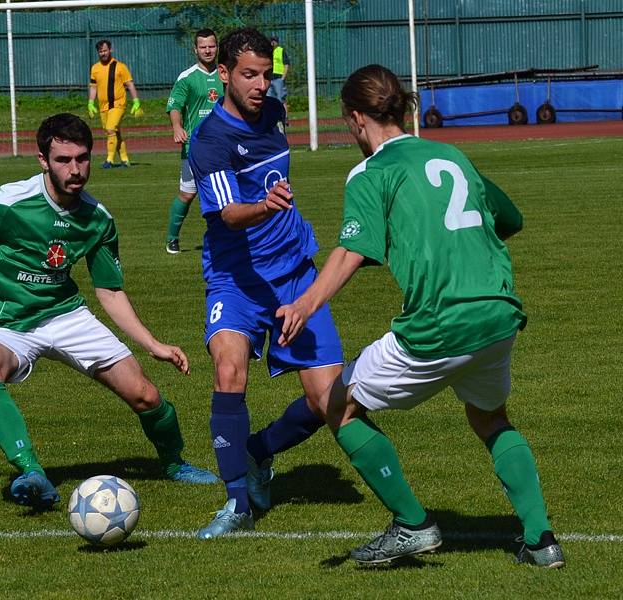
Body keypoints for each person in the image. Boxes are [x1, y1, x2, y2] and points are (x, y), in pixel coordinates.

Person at [276, 64, 565, 568]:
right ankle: (542, 542)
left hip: (439, 323)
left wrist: (305, 303)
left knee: (334, 402)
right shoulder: (451, 154)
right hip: (498, 313)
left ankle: (412, 525)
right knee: (490, 417)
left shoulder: (372, 172)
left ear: (356, 118)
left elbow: (349, 250)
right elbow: (509, 218)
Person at [0, 113, 218, 509]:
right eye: (64, 160)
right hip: (4, 319)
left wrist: (152, 343)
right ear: (43, 160)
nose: (76, 170)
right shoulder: (9, 205)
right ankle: (31, 471)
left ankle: (174, 464)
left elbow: (110, 292)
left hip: (64, 313)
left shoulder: (97, 221)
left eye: (82, 158)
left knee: (146, 396)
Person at [188, 28, 344, 539]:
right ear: (225, 75)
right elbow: (229, 214)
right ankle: (237, 507)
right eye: (249, 75)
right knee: (229, 369)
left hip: (295, 273)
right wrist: (265, 206)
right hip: (235, 281)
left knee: (330, 401)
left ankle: (258, 451)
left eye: (266, 74)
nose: (261, 85)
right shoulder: (209, 140)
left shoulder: (275, 113)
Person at [163, 28, 224, 255]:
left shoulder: (225, 74)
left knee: (226, 193)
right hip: (195, 147)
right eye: (203, 46)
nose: (208, 50)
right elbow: (175, 106)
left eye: (211, 46)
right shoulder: (186, 78)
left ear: (217, 47)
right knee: (188, 194)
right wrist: (177, 127)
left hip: (223, 146)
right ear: (195, 49)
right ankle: (172, 238)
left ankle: (226, 239)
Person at [88, 40, 143, 169]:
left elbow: (129, 84)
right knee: (114, 133)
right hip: (103, 106)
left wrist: (136, 101)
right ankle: (125, 160)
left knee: (110, 129)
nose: (103, 53)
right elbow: (93, 87)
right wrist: (90, 102)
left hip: (118, 104)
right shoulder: (95, 68)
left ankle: (109, 160)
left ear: (111, 50)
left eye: (105, 50)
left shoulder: (120, 66)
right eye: (100, 51)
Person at [267, 35, 290, 122]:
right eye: (271, 41)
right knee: (269, 99)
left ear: (277, 42)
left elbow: (286, 64)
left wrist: (283, 77)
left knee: (281, 98)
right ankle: (272, 117)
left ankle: (285, 117)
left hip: (278, 78)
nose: (273, 43)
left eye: (274, 41)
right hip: (270, 78)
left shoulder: (281, 51)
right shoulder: (268, 52)